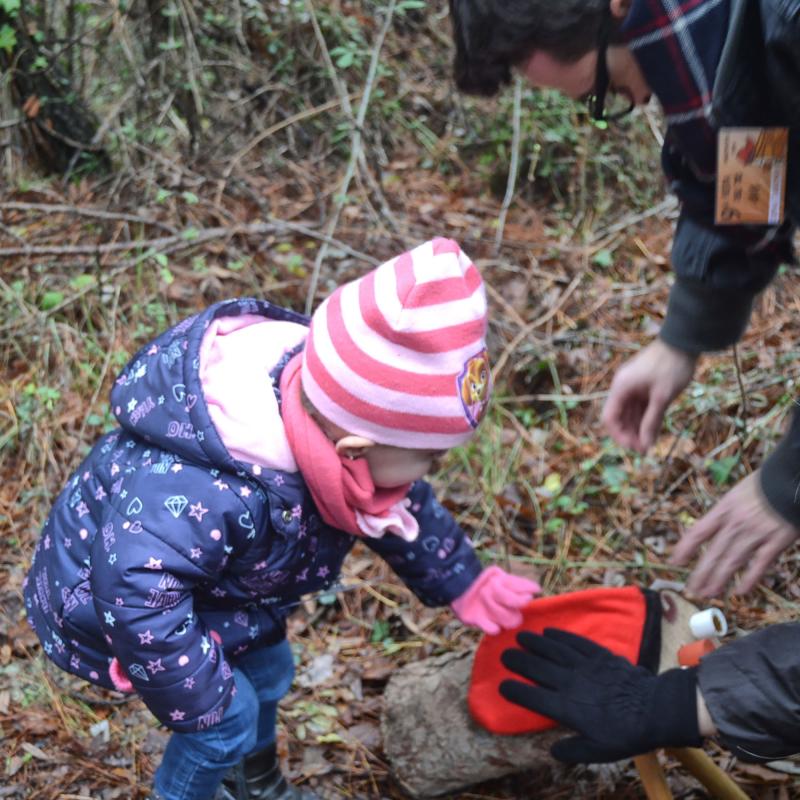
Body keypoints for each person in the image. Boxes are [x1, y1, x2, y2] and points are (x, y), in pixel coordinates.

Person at [23, 237, 540, 800]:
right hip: (109, 606)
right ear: (355, 448)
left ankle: (257, 784)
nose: (426, 474)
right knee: (224, 725)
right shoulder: (217, 482)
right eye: (429, 457)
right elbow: (133, 585)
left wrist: (461, 577)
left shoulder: (335, 431)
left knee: (269, 674)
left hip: (217, 594)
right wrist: (197, 694)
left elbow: (396, 504)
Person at [447, 0, 800, 768]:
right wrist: (681, 341)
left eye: (603, 95)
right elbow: (749, 176)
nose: (639, 107)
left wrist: (686, 703)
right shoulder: (730, 64)